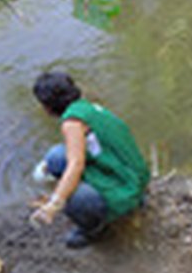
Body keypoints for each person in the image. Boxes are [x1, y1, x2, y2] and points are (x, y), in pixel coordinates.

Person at [29, 71, 150, 248]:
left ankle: (94, 229)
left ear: (47, 107)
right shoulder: (88, 107)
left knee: (76, 198)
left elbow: (76, 165)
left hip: (126, 186)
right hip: (133, 176)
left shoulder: (72, 123)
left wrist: (54, 204)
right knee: (55, 157)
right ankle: (136, 198)